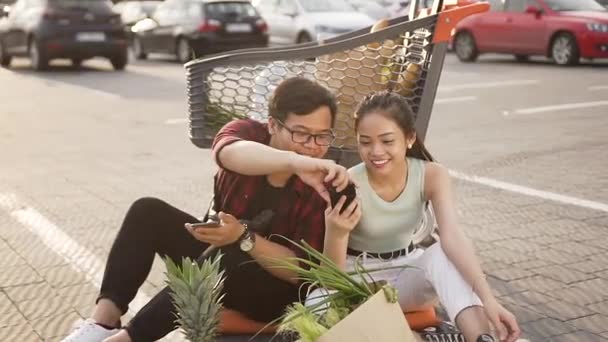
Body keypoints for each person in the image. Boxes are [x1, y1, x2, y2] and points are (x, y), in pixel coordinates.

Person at [62, 77, 361, 342]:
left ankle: (128, 339)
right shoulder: (247, 134)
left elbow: (303, 273)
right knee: (147, 211)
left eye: (322, 136)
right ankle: (102, 322)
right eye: (300, 134)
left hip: (274, 293)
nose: (312, 146)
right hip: (219, 258)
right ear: (272, 125)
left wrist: (246, 238)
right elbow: (227, 153)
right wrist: (295, 162)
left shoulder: (328, 183)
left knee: (233, 251)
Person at [315, 91, 522, 342]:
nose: (376, 151)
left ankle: (480, 338)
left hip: (406, 273)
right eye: (365, 142)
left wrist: (489, 301)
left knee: (441, 254)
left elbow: (452, 236)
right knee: (318, 306)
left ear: (409, 138)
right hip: (359, 280)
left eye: (387, 141)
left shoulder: (431, 175)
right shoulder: (347, 182)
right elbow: (331, 278)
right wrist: (336, 232)